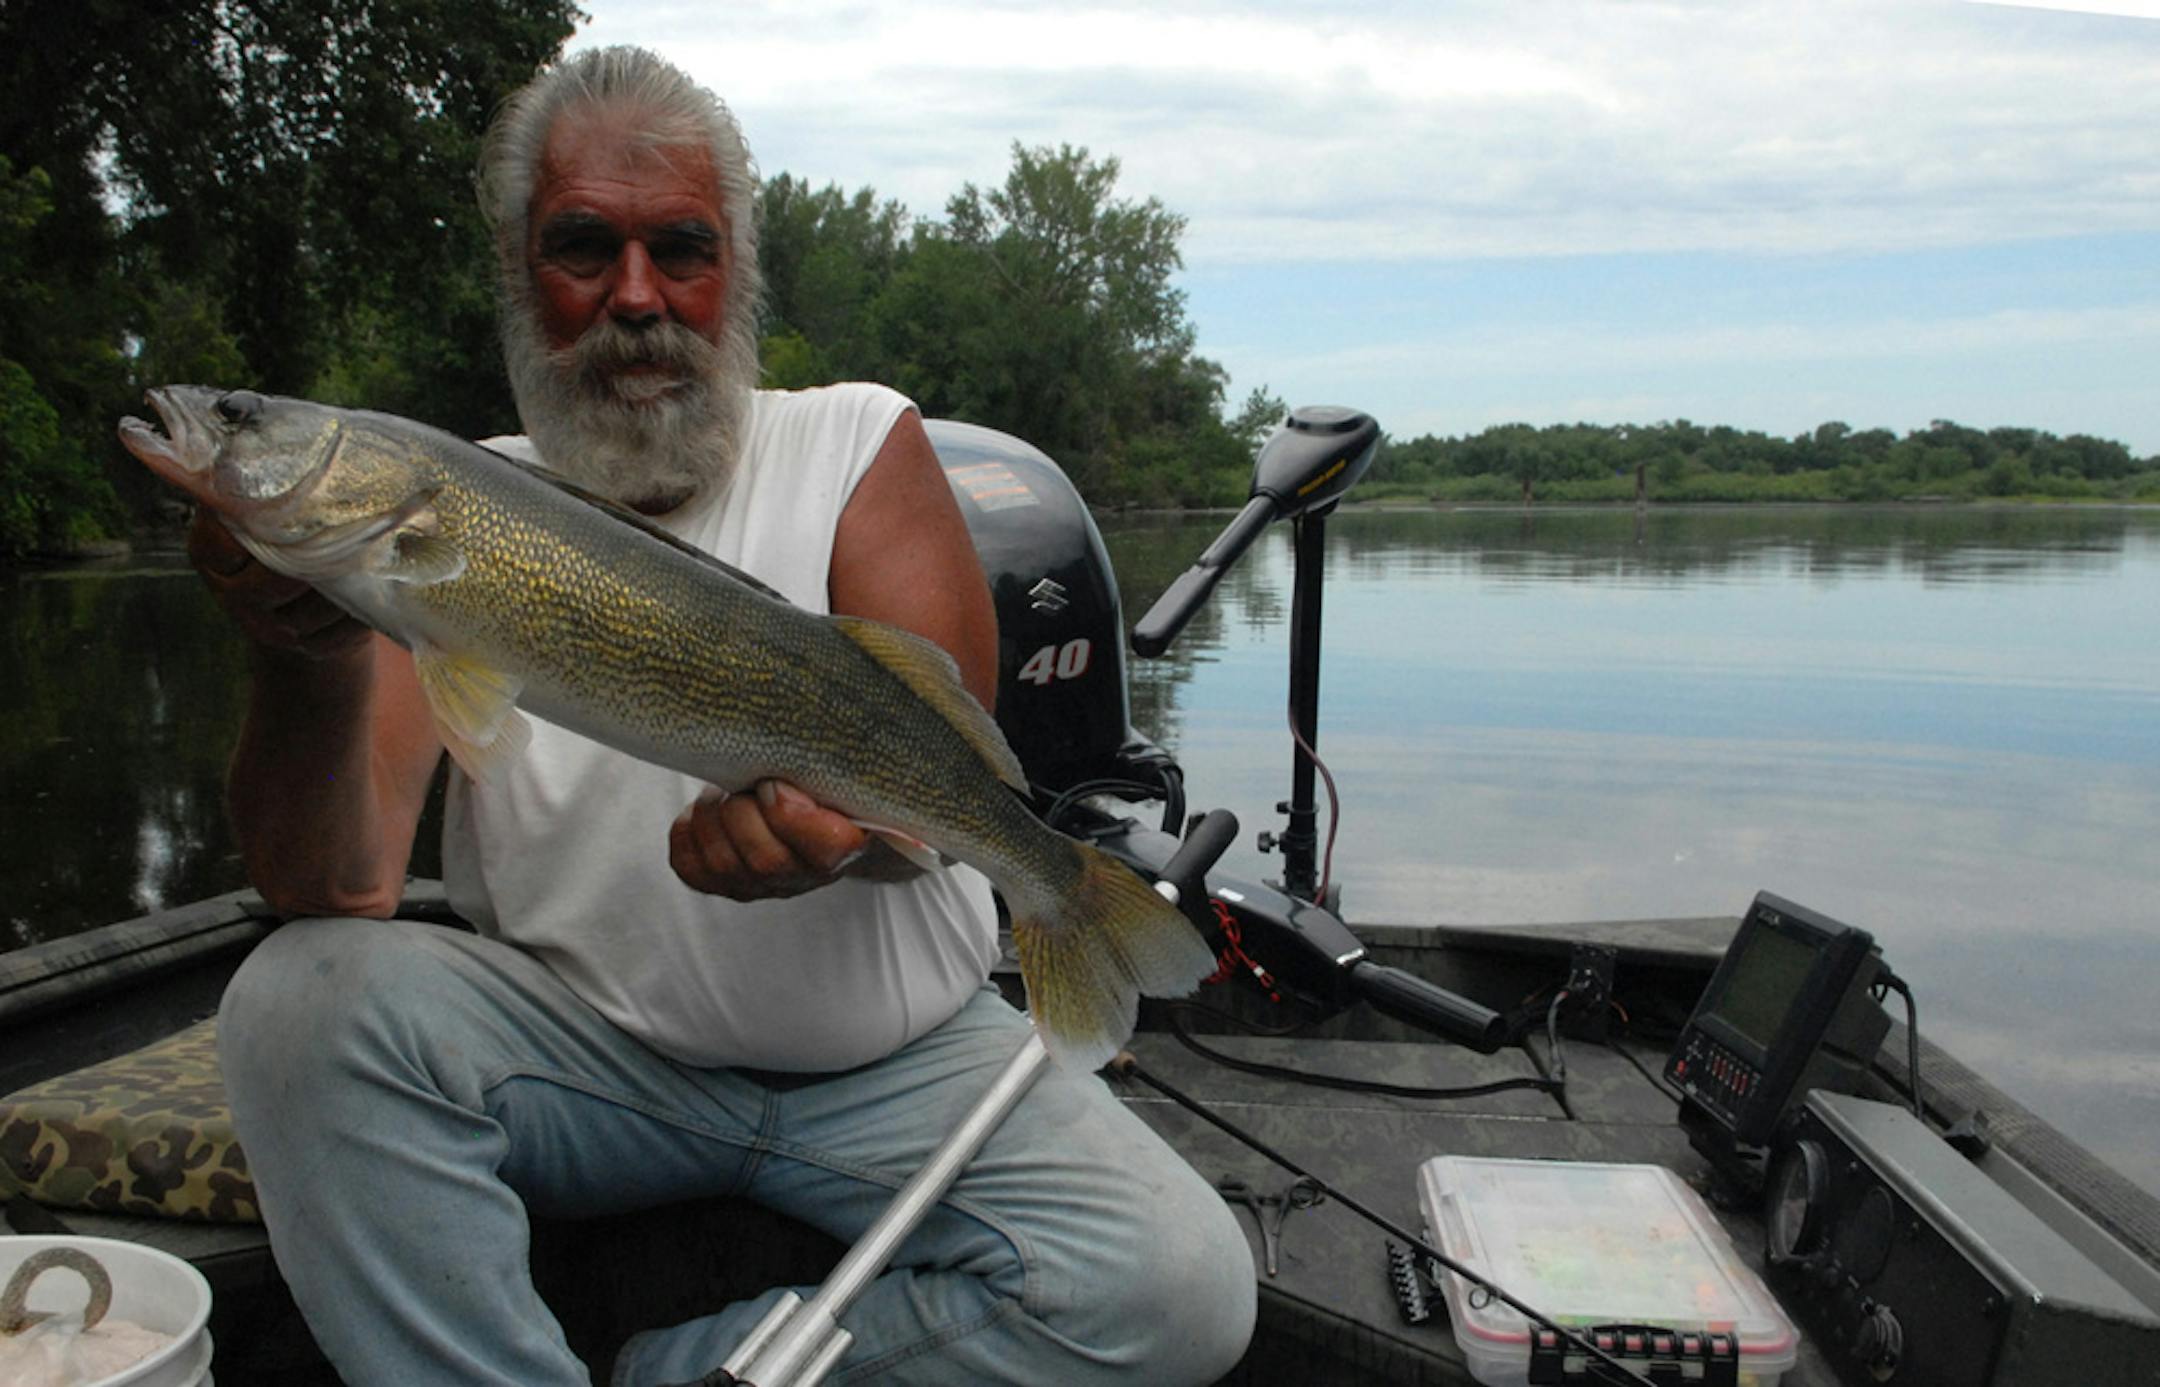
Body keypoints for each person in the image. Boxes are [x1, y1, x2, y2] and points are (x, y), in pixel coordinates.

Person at [195, 44, 1256, 1387]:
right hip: (585, 1072)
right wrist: (301, 652)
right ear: (521, 273)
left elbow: (928, 745)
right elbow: (333, 881)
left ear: (734, 272)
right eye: (583, 245)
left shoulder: (861, 442)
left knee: (1179, 1291)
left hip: (903, 1063)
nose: (636, 296)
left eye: (680, 249)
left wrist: (856, 837)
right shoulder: (444, 510)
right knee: (302, 1001)